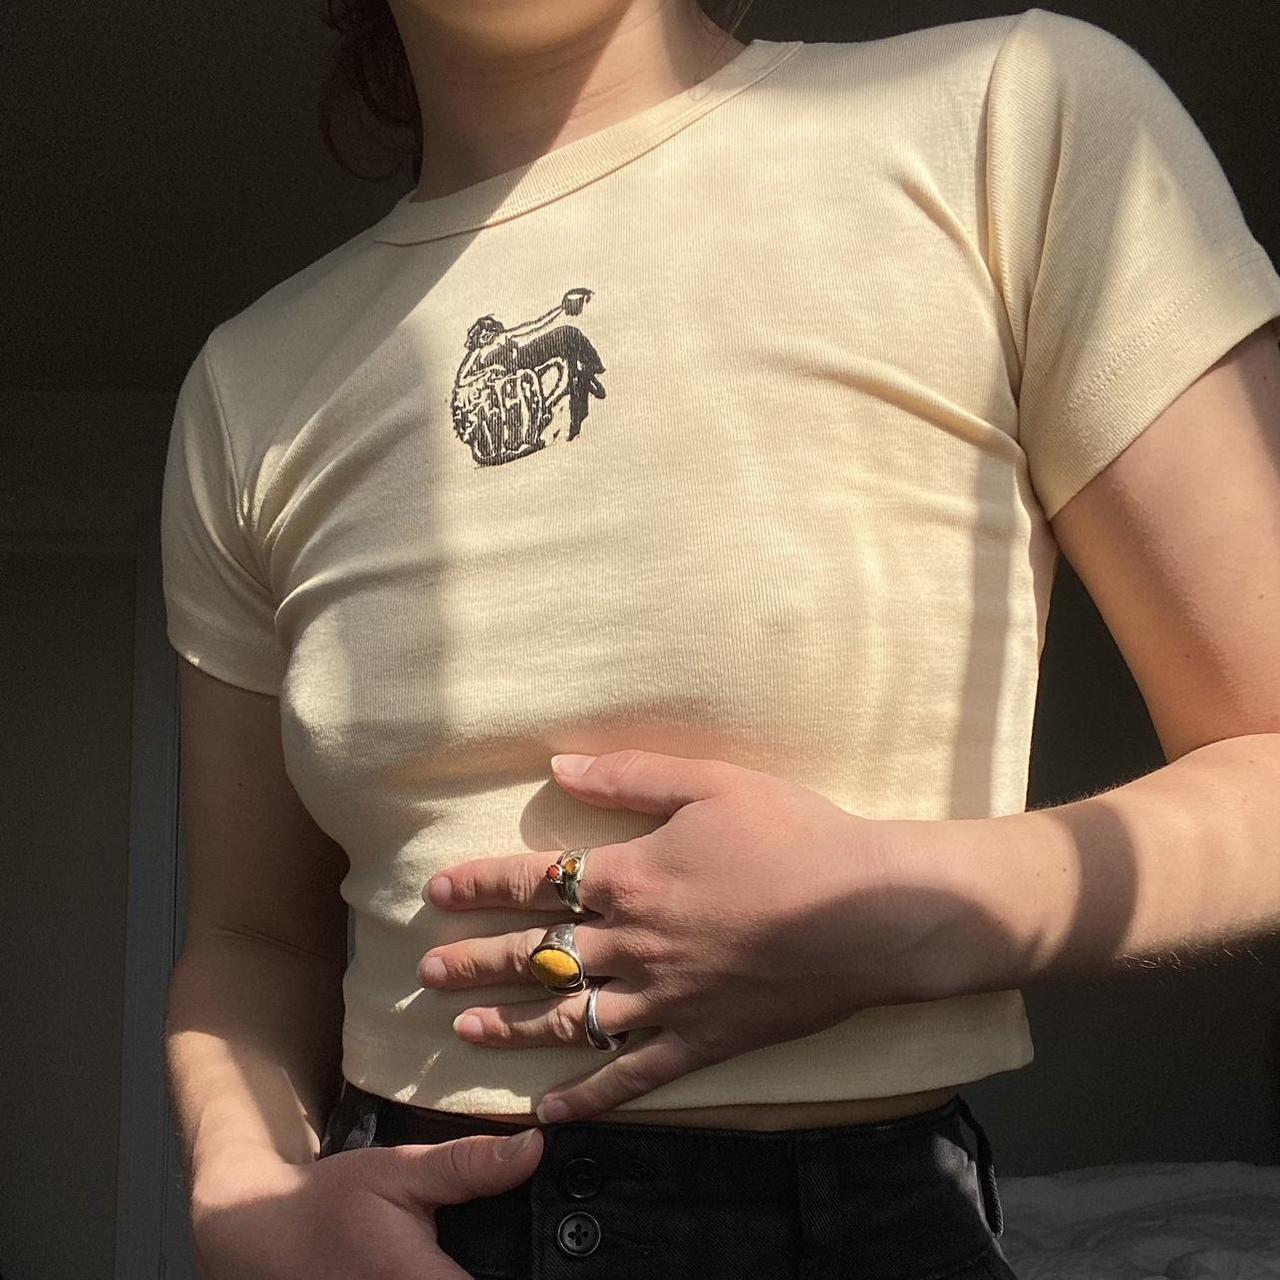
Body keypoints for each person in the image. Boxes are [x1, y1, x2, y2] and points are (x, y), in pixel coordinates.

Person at [160, 0, 1280, 1276]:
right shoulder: (249, 384)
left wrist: (908, 911)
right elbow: (255, 937)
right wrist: (245, 1194)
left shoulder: (1018, 119)